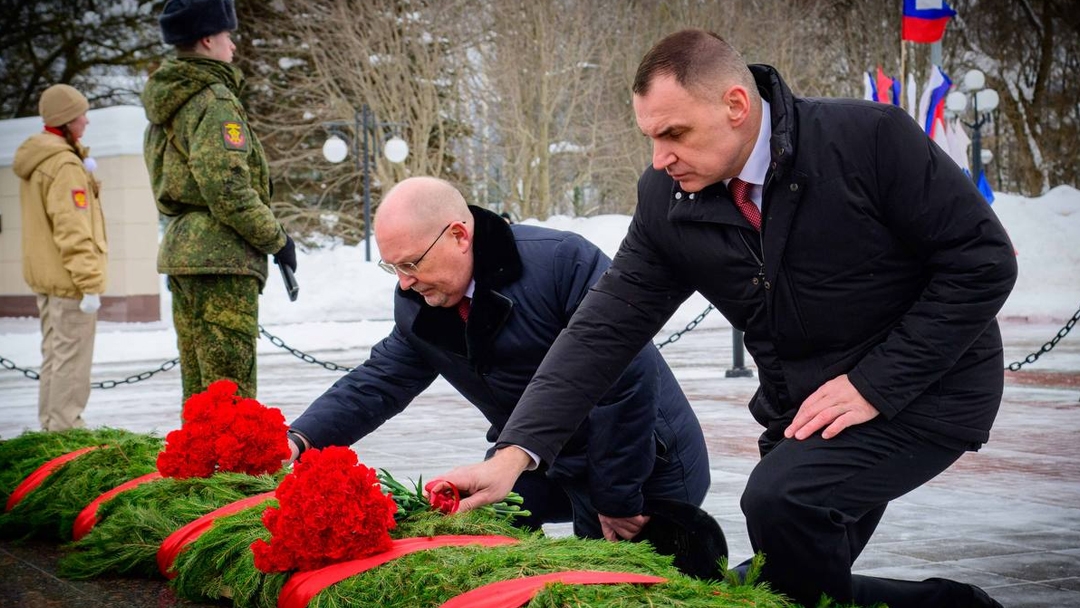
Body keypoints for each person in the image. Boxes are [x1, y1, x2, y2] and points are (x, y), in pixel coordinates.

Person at [434, 30, 1017, 607]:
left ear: (735, 105)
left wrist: (874, 385)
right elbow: (602, 330)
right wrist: (515, 455)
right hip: (809, 413)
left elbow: (983, 263)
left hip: (930, 389)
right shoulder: (669, 200)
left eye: (674, 134)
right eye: (650, 138)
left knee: (782, 502)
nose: (660, 159)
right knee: (781, 586)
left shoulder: (868, 139)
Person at [287, 176, 710, 541]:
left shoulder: (562, 264)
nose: (404, 282)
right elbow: (378, 382)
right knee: (479, 522)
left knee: (613, 583)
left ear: (459, 235)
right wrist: (299, 439)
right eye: (392, 267)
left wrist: (617, 498)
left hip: (644, 462)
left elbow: (626, 380)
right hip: (539, 459)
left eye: (412, 263)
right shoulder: (420, 302)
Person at [142, 0, 296, 401]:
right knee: (230, 392)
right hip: (221, 257)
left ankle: (196, 466)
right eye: (228, 36)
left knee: (198, 392)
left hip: (184, 251)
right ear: (208, 40)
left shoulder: (167, 102)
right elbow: (227, 189)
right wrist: (277, 239)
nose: (233, 47)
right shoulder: (214, 101)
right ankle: (231, 467)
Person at [13, 84, 107, 431]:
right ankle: (66, 429)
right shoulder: (64, 165)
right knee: (71, 362)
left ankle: (53, 426)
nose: (86, 120)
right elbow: (73, 229)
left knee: (55, 358)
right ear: (66, 121)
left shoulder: (42, 158)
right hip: (70, 283)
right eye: (81, 114)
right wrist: (90, 282)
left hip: (50, 278)